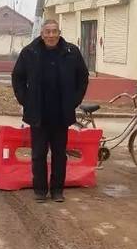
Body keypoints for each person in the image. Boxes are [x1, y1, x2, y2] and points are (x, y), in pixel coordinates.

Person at [12, 19, 89, 203]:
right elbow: (17, 78)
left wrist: (73, 102)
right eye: (47, 32)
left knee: (59, 154)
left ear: (59, 32)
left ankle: (57, 190)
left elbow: (83, 78)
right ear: (42, 33)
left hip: (61, 114)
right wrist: (26, 101)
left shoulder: (71, 52)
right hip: (38, 114)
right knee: (38, 154)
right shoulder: (30, 52)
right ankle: (39, 190)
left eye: (54, 31)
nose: (51, 35)